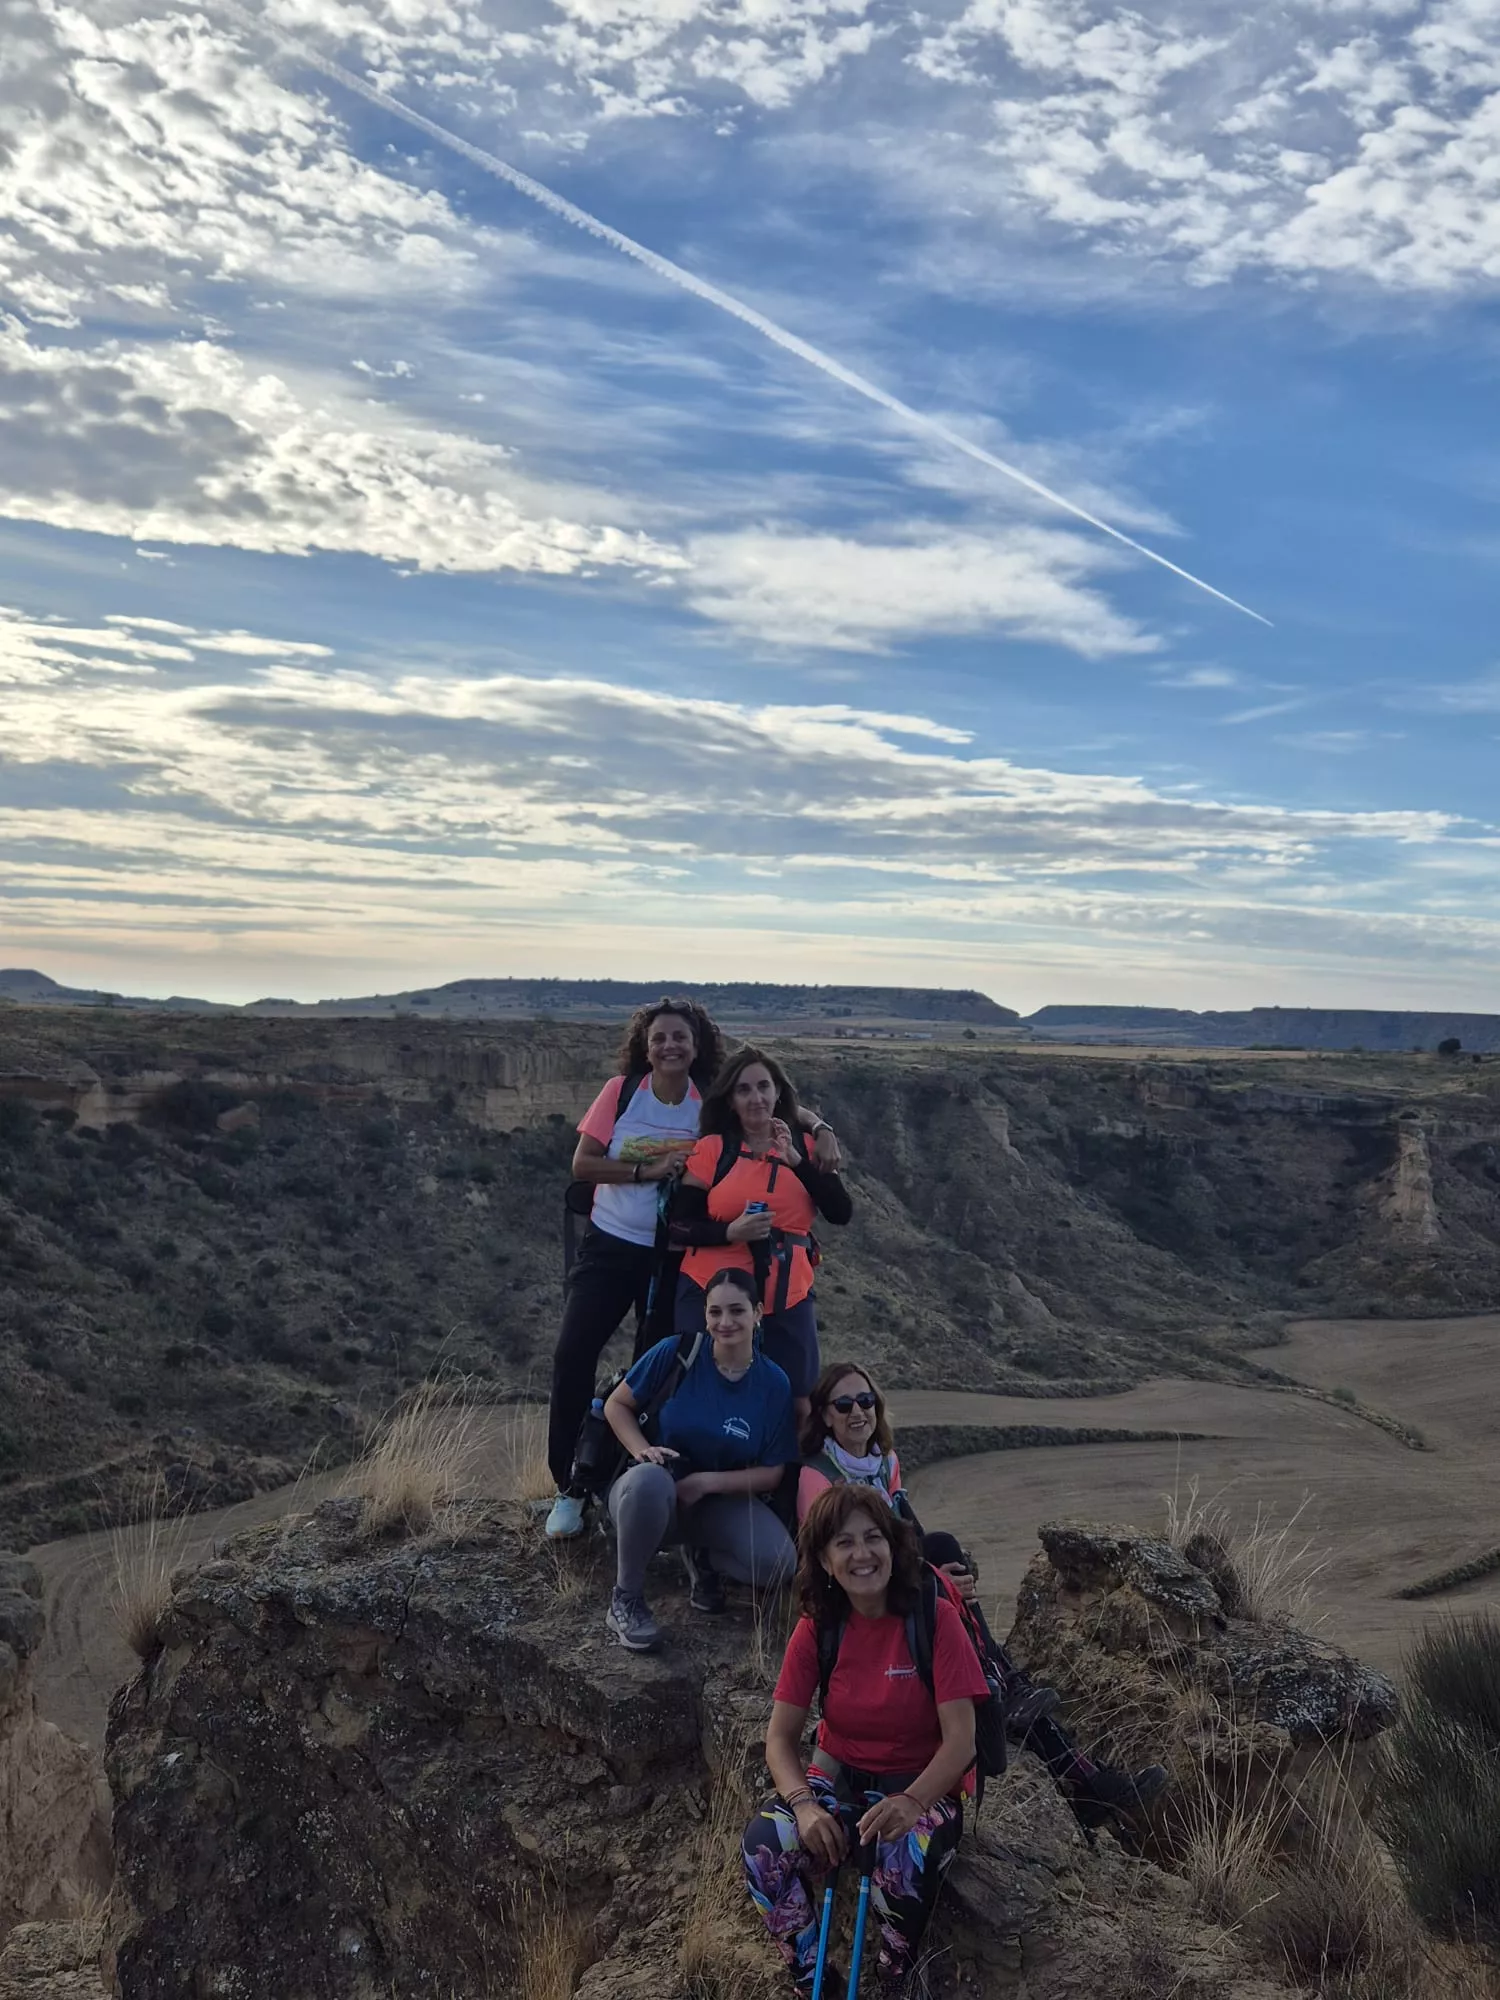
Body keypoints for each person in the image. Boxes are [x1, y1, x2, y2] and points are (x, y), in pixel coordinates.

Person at [798, 1361, 1170, 1827]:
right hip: (858, 1606)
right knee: (946, 1590)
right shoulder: (818, 1477)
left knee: (942, 1549)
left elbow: (911, 1541)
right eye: (845, 1404)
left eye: (866, 1400)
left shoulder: (882, 1465)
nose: (859, 1412)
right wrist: (937, 1580)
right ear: (825, 1416)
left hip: (899, 1595)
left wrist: (938, 1572)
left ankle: (1081, 1776)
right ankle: (1073, 1764)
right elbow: (843, 1566)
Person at [546, 1004, 842, 1540]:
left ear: (698, 1043)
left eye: (680, 1036)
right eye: (659, 1037)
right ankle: (568, 1485)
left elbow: (775, 1104)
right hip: (611, 1245)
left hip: (670, 1256)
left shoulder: (709, 1094)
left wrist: (820, 1127)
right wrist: (645, 1171)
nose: (669, 1046)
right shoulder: (621, 1092)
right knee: (573, 1355)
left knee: (657, 1374)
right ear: (645, 1043)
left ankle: (642, 1487)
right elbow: (582, 1164)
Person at [744, 1484, 982, 1997]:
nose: (862, 1554)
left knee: (904, 1851)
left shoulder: (934, 1618)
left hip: (924, 1787)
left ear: (894, 1548)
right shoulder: (818, 1627)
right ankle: (815, 1980)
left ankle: (893, 1976)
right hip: (839, 1784)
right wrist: (805, 1806)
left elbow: (962, 1741)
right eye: (844, 1543)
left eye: (873, 1538)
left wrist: (911, 1801)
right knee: (765, 1845)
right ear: (825, 1561)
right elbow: (780, 1740)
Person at [601, 1266, 798, 1651]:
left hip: (715, 1503)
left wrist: (707, 1482)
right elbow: (617, 1406)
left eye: (737, 1311)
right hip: (649, 1495)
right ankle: (626, 1599)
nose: (725, 1322)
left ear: (757, 1313)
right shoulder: (676, 1352)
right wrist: (641, 1450)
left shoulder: (774, 1384)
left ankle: (702, 1557)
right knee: (648, 1481)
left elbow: (772, 1472)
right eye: (715, 1312)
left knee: (777, 1563)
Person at [671, 1046, 851, 1420]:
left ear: (778, 1092)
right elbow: (678, 1224)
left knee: (798, 1399)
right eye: (744, 1090)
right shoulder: (713, 1149)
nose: (757, 1098)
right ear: (731, 1100)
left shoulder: (806, 1145)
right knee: (704, 1390)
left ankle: (789, 1478)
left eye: (764, 1087)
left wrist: (799, 1162)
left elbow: (840, 1212)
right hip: (711, 1292)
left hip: (786, 1291)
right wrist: (730, 1231)